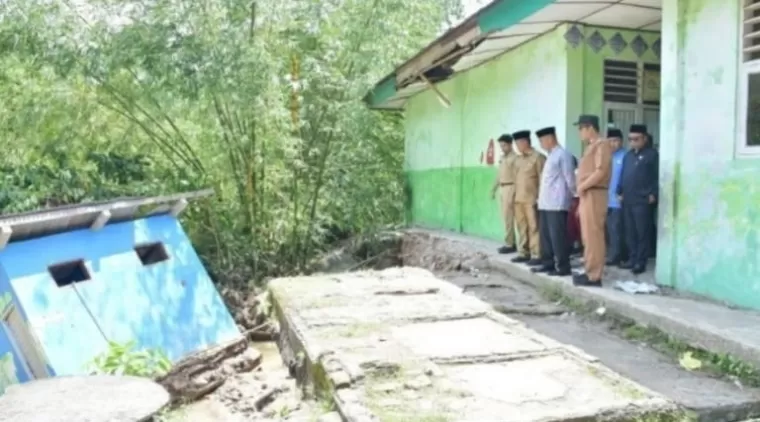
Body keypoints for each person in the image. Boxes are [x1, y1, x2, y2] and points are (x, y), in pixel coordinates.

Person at [572, 115, 612, 287]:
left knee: (594, 235)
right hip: (587, 194)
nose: (580, 132)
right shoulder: (590, 147)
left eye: (581, 128)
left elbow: (601, 171)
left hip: (595, 193)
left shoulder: (602, 144)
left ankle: (595, 276)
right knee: (587, 236)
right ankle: (589, 270)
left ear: (590, 128)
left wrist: (583, 186)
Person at [531, 127, 576, 276]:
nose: (541, 144)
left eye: (542, 141)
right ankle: (548, 264)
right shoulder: (550, 156)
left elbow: (569, 178)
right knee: (546, 236)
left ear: (550, 138)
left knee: (558, 236)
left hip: (557, 203)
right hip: (545, 203)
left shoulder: (563, 155)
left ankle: (563, 267)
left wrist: (574, 196)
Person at [617, 124, 659, 274]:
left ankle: (640, 262)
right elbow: (623, 175)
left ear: (644, 138)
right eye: (630, 139)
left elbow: (656, 176)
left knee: (642, 232)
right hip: (628, 198)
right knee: (630, 232)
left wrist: (653, 193)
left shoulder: (652, 155)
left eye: (636, 139)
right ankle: (632, 259)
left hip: (642, 200)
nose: (633, 142)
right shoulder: (628, 156)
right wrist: (619, 191)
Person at [511, 130, 545, 266]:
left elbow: (543, 180)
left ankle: (536, 254)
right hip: (519, 199)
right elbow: (515, 179)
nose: (517, 147)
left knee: (534, 227)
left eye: (518, 143)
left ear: (525, 142)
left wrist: (540, 198)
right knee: (521, 226)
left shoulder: (538, 157)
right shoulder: (518, 160)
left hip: (532, 199)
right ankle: (523, 253)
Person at [491, 134, 518, 254]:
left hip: (511, 187)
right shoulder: (502, 158)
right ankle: (510, 242)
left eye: (504, 145)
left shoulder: (515, 158)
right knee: (506, 217)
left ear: (510, 144)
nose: (502, 148)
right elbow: (499, 175)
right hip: (502, 187)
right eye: (501, 145)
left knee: (511, 217)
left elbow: (518, 176)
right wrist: (493, 189)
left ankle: (511, 244)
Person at [606, 128, 627, 266]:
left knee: (617, 229)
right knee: (609, 229)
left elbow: (629, 177)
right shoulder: (607, 156)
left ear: (621, 141)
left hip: (619, 200)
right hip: (606, 200)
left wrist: (623, 193)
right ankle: (613, 254)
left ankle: (617, 256)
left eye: (616, 140)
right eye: (611, 141)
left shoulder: (626, 156)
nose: (613, 144)